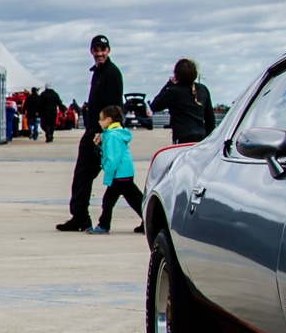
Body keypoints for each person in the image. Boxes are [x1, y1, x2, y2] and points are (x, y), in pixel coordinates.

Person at [57, 35, 123, 230]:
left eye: (103, 49)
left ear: (109, 50)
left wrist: (105, 134)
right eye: (96, 50)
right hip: (95, 132)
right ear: (91, 52)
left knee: (107, 178)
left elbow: (114, 107)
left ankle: (80, 217)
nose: (100, 53)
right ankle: (80, 215)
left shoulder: (111, 73)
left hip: (99, 135)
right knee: (110, 178)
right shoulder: (99, 72)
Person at [86, 105, 144, 233]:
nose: (99, 122)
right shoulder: (117, 133)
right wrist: (101, 144)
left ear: (109, 120)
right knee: (135, 199)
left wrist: (108, 173)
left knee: (109, 201)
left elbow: (113, 157)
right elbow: (113, 151)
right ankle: (149, 220)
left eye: (101, 119)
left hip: (119, 173)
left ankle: (104, 225)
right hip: (125, 171)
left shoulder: (112, 135)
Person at [150, 58, 216, 144]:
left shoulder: (173, 91)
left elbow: (154, 106)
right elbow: (210, 118)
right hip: (201, 136)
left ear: (177, 74)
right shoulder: (203, 89)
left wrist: (168, 85)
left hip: (182, 137)